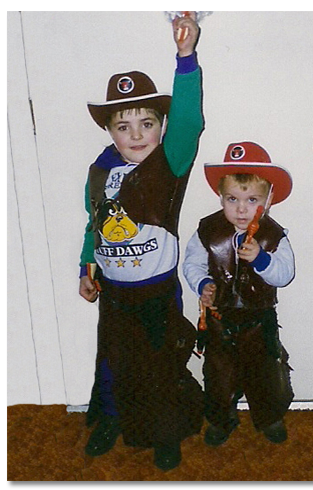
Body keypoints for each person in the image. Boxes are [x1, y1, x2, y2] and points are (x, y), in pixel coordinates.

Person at [79, 13, 204, 471]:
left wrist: (186, 59)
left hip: (155, 293)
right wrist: (86, 268)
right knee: (112, 364)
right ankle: (110, 419)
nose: (135, 135)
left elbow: (189, 123)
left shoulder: (167, 166)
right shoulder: (99, 170)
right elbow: (93, 225)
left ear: (160, 126)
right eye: (124, 126)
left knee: (159, 367)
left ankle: (165, 432)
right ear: (110, 130)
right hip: (113, 294)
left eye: (147, 123)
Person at [183, 141, 295, 447]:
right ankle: (220, 420)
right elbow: (191, 262)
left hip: (259, 322)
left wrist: (262, 259)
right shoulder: (208, 230)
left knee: (267, 375)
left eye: (252, 199)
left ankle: (269, 417)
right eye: (233, 198)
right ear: (221, 196)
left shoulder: (274, 236)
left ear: (269, 199)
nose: (242, 208)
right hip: (220, 321)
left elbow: (284, 274)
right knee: (219, 377)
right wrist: (203, 283)